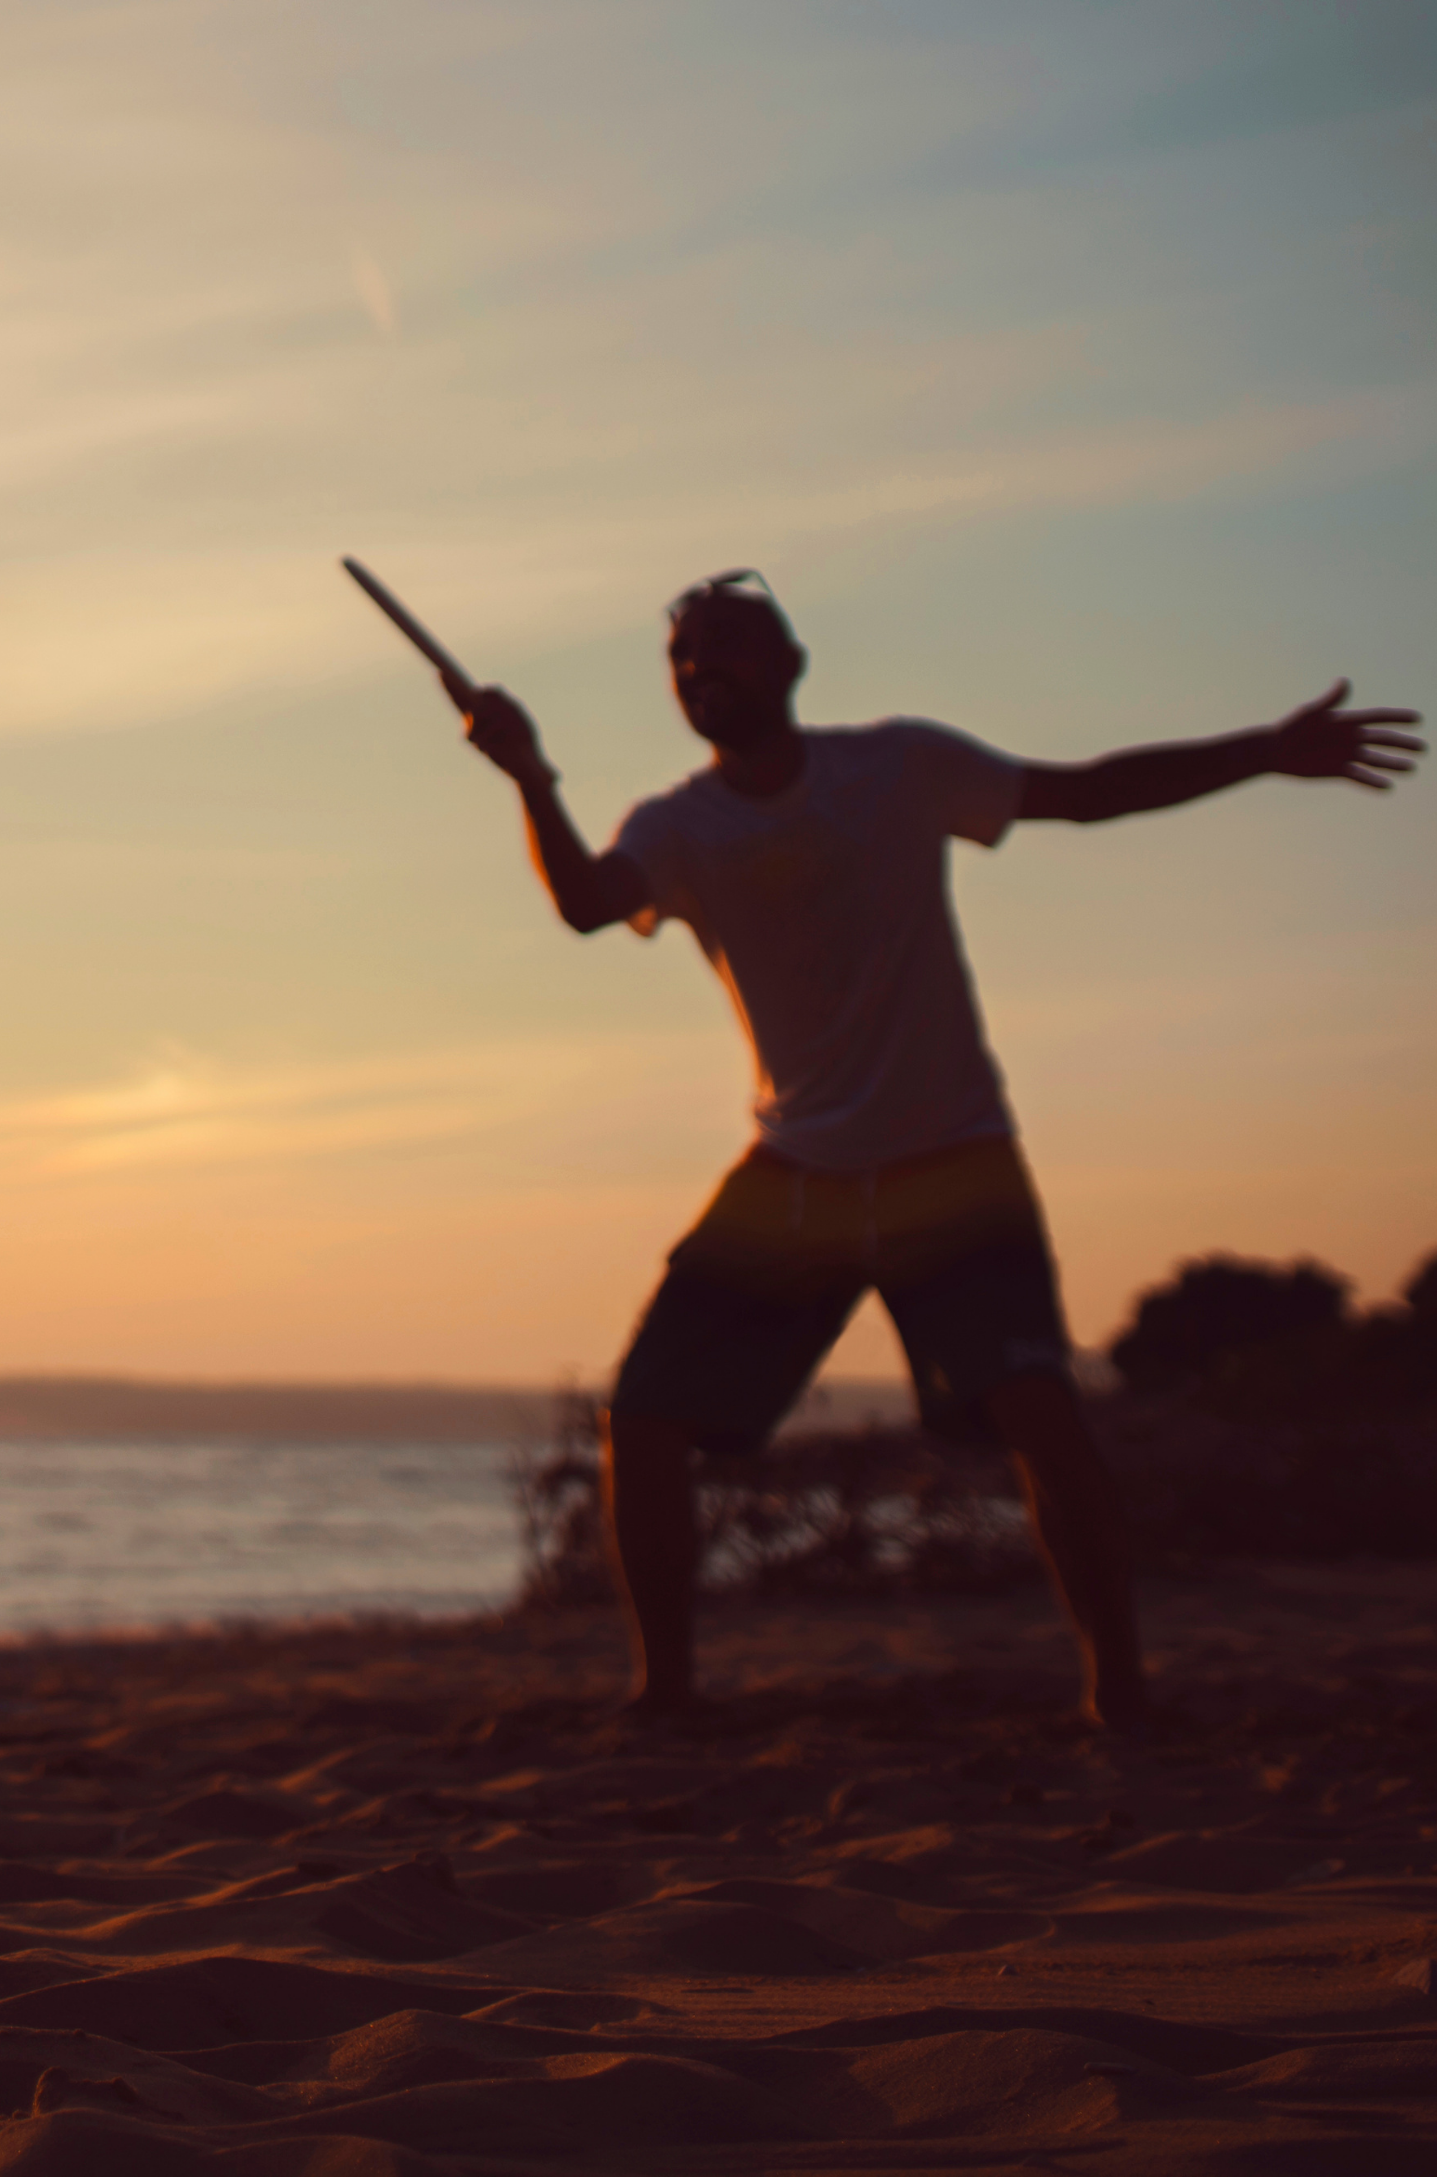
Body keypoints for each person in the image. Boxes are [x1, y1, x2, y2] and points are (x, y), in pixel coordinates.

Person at [457, 570, 1416, 1730]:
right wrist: (531, 778)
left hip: (950, 1157)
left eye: (726, 648)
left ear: (793, 664)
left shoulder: (899, 767)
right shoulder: (679, 827)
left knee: (1040, 1418)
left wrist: (1266, 750)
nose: (701, 671)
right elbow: (586, 902)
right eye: (684, 659)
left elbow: (1088, 793)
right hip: (795, 1175)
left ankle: (1118, 1690)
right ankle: (666, 1696)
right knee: (644, 1420)